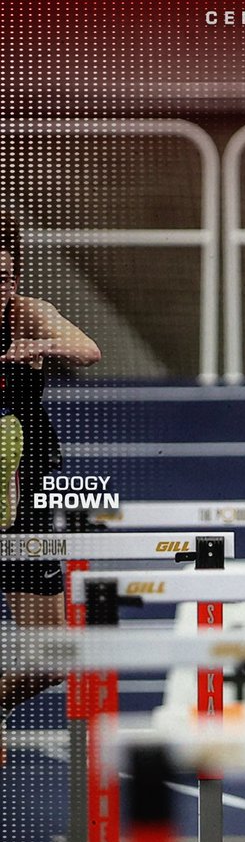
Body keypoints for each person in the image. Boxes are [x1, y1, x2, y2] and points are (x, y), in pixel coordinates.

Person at [1, 210, 101, 763]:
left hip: (26, 505)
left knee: (54, 654)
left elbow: (88, 350)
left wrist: (37, 348)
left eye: (7, 277)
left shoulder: (27, 316)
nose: (1, 289)